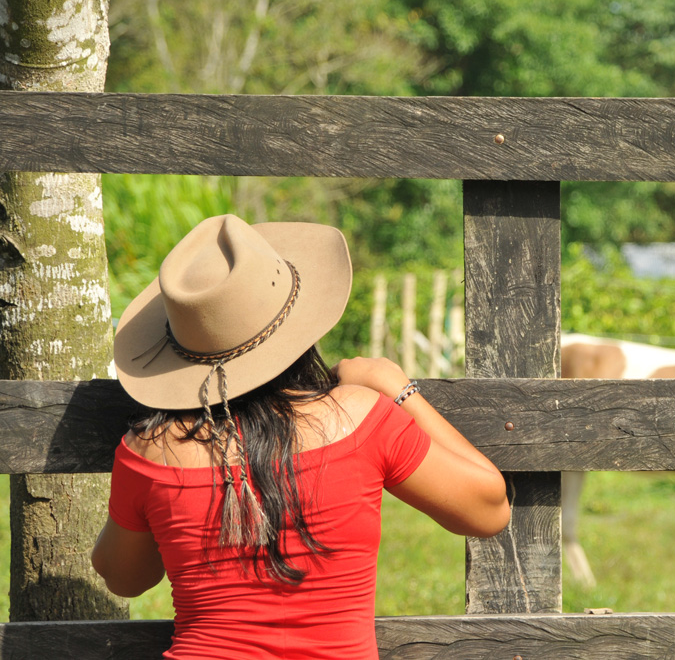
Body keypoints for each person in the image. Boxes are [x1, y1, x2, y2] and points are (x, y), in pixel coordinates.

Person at [92, 214, 509, 659]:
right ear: (296, 324)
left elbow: (124, 578)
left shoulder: (151, 451)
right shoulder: (360, 418)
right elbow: (489, 510)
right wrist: (397, 387)